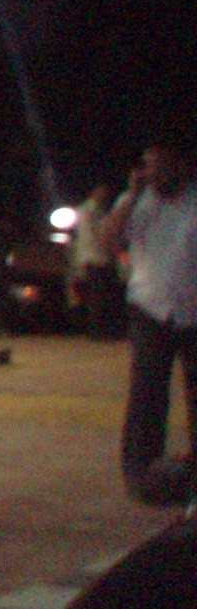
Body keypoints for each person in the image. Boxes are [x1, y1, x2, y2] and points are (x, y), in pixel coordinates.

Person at [101, 138, 197, 504]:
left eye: (161, 165)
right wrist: (130, 197)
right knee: (147, 395)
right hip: (150, 309)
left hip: (192, 311)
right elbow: (108, 243)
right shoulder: (138, 203)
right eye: (149, 164)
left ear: (181, 166)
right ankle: (141, 474)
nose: (154, 173)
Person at [67, 183, 122, 340]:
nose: (105, 196)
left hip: (95, 257)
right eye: (102, 192)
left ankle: (99, 330)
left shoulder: (94, 210)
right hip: (95, 257)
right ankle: (97, 331)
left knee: (100, 296)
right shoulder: (89, 211)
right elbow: (96, 235)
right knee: (98, 297)